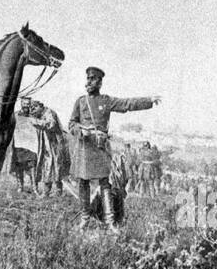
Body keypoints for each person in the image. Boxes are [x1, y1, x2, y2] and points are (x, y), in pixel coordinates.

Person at [67, 66, 161, 230]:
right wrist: (80, 130)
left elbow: (127, 104)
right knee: (83, 183)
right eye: (88, 78)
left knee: (105, 183)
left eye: (92, 79)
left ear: (100, 82)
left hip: (100, 147)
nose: (88, 82)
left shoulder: (106, 100)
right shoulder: (80, 101)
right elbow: (71, 124)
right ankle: (84, 218)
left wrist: (149, 100)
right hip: (84, 147)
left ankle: (110, 221)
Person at [20, 97, 68, 196]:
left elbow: (50, 124)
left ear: (39, 106)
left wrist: (35, 122)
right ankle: (48, 191)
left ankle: (57, 191)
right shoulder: (41, 114)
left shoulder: (49, 113)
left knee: (55, 166)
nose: (32, 112)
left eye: (34, 109)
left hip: (55, 144)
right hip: (47, 145)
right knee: (47, 165)